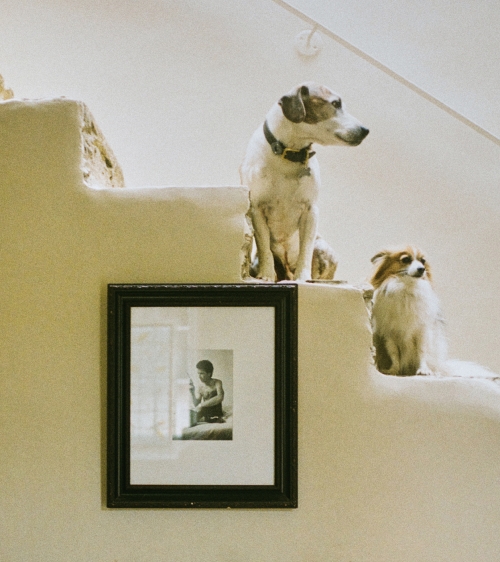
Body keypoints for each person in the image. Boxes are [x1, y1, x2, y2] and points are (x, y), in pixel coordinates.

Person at [189, 360, 225, 424]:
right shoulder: (200, 387)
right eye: (198, 373)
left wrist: (201, 405)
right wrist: (192, 392)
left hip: (215, 412)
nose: (199, 376)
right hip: (205, 412)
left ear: (209, 374)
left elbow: (220, 397)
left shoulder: (217, 382)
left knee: (193, 416)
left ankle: (212, 418)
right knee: (187, 414)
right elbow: (196, 404)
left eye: (201, 373)